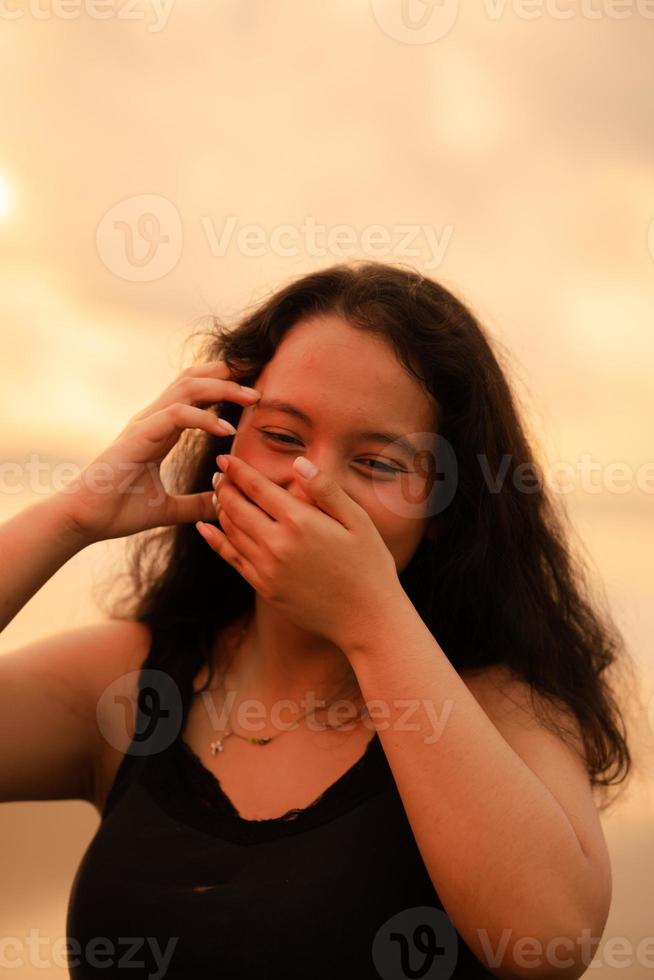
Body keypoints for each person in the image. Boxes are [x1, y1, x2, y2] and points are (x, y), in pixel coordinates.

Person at [0, 261, 634, 979]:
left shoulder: (501, 707)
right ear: (225, 440)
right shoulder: (127, 685)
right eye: (283, 436)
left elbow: (546, 940)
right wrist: (71, 517)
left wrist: (370, 618)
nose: (311, 482)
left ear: (445, 509)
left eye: (376, 462)